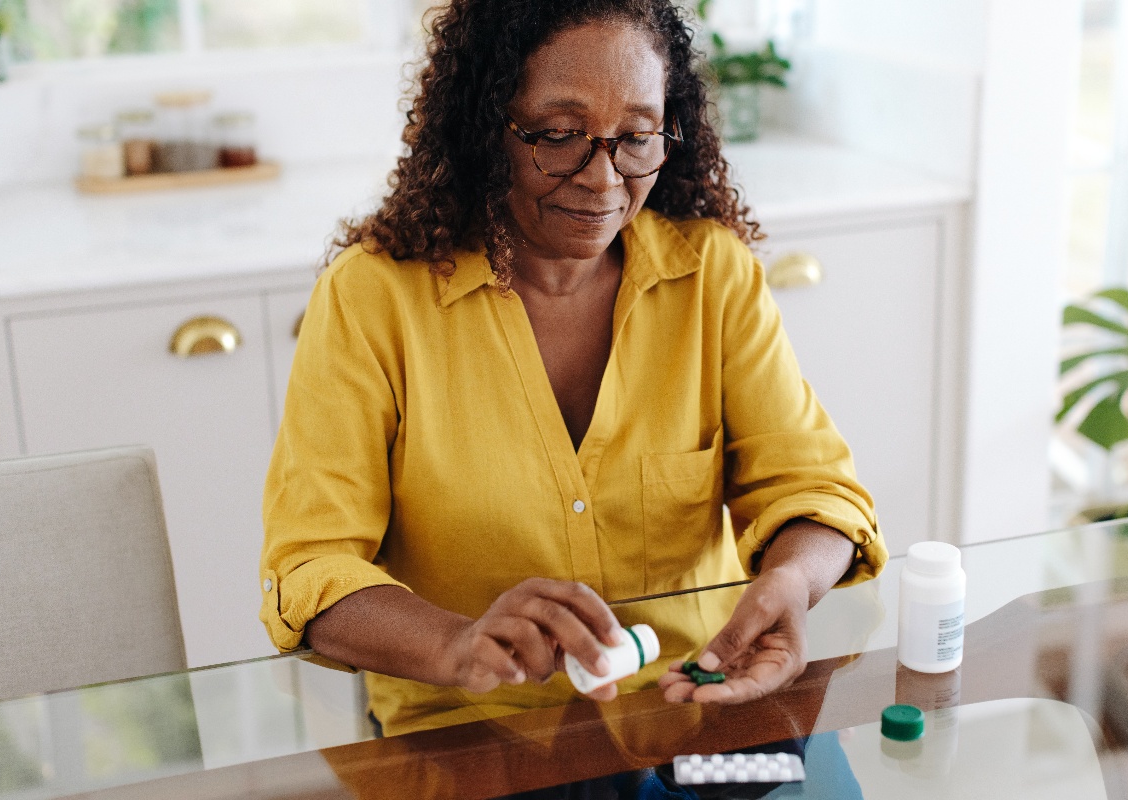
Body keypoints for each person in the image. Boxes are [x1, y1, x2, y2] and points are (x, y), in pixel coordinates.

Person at [259, 0, 887, 737]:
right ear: (485, 126)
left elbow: (813, 488)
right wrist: (456, 646)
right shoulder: (376, 297)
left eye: (638, 138)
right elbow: (310, 566)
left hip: (694, 706)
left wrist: (790, 579)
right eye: (559, 136)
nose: (604, 179)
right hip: (470, 734)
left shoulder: (710, 274)